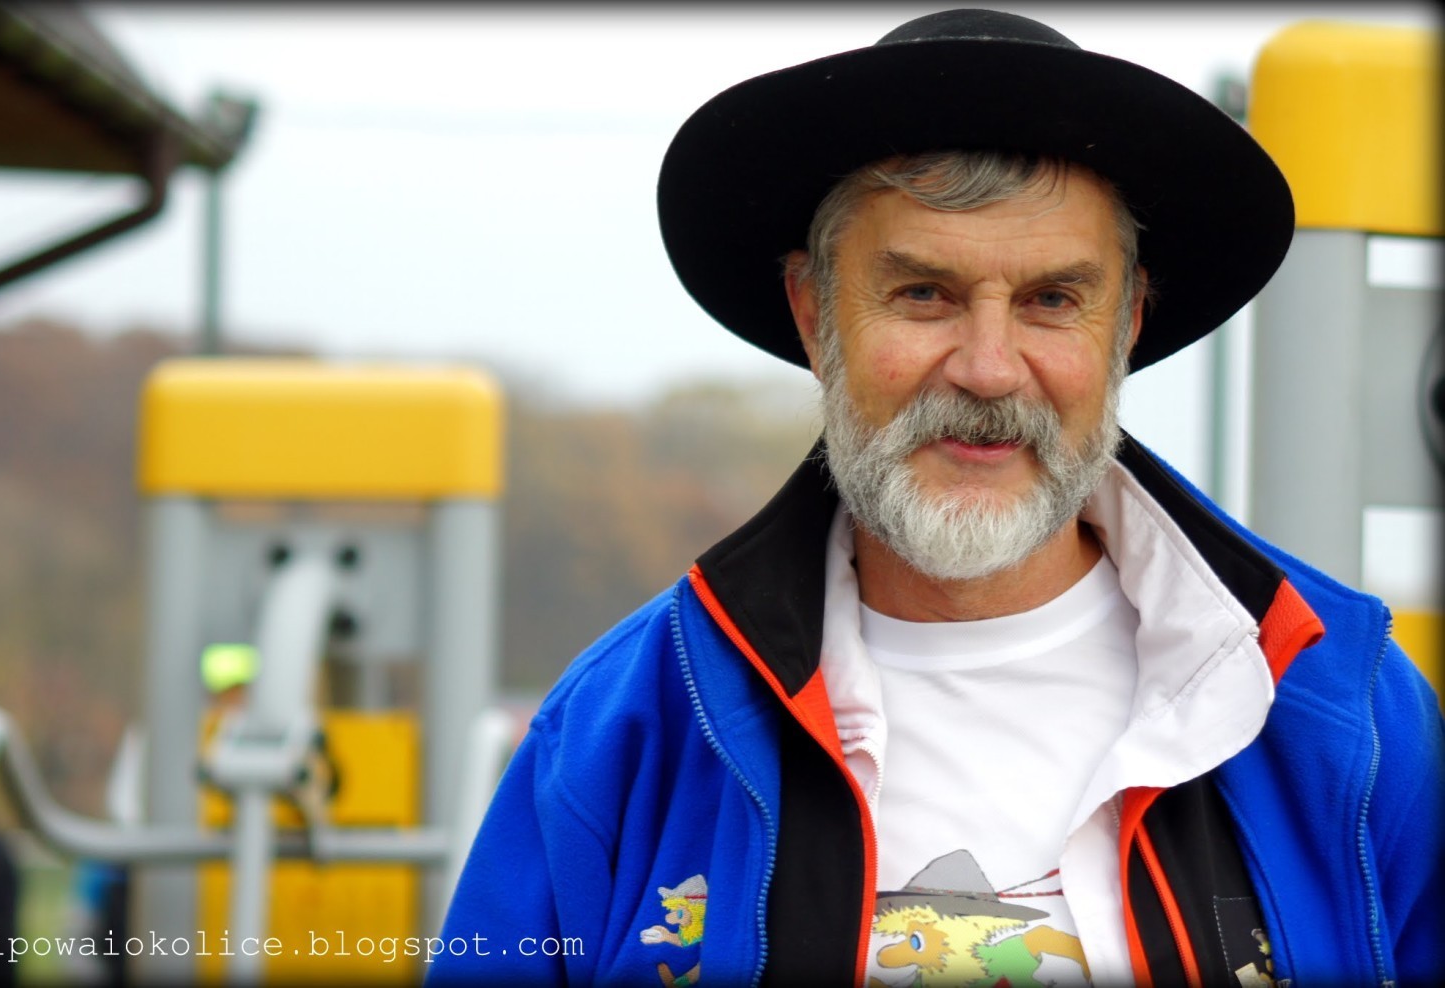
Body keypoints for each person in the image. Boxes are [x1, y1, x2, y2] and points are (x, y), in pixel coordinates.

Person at [430, 9, 1443, 987]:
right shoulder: (623, 734)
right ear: (814, 314)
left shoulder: (1345, 718)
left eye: (1053, 300)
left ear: (1126, 325)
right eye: (924, 294)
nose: (989, 368)